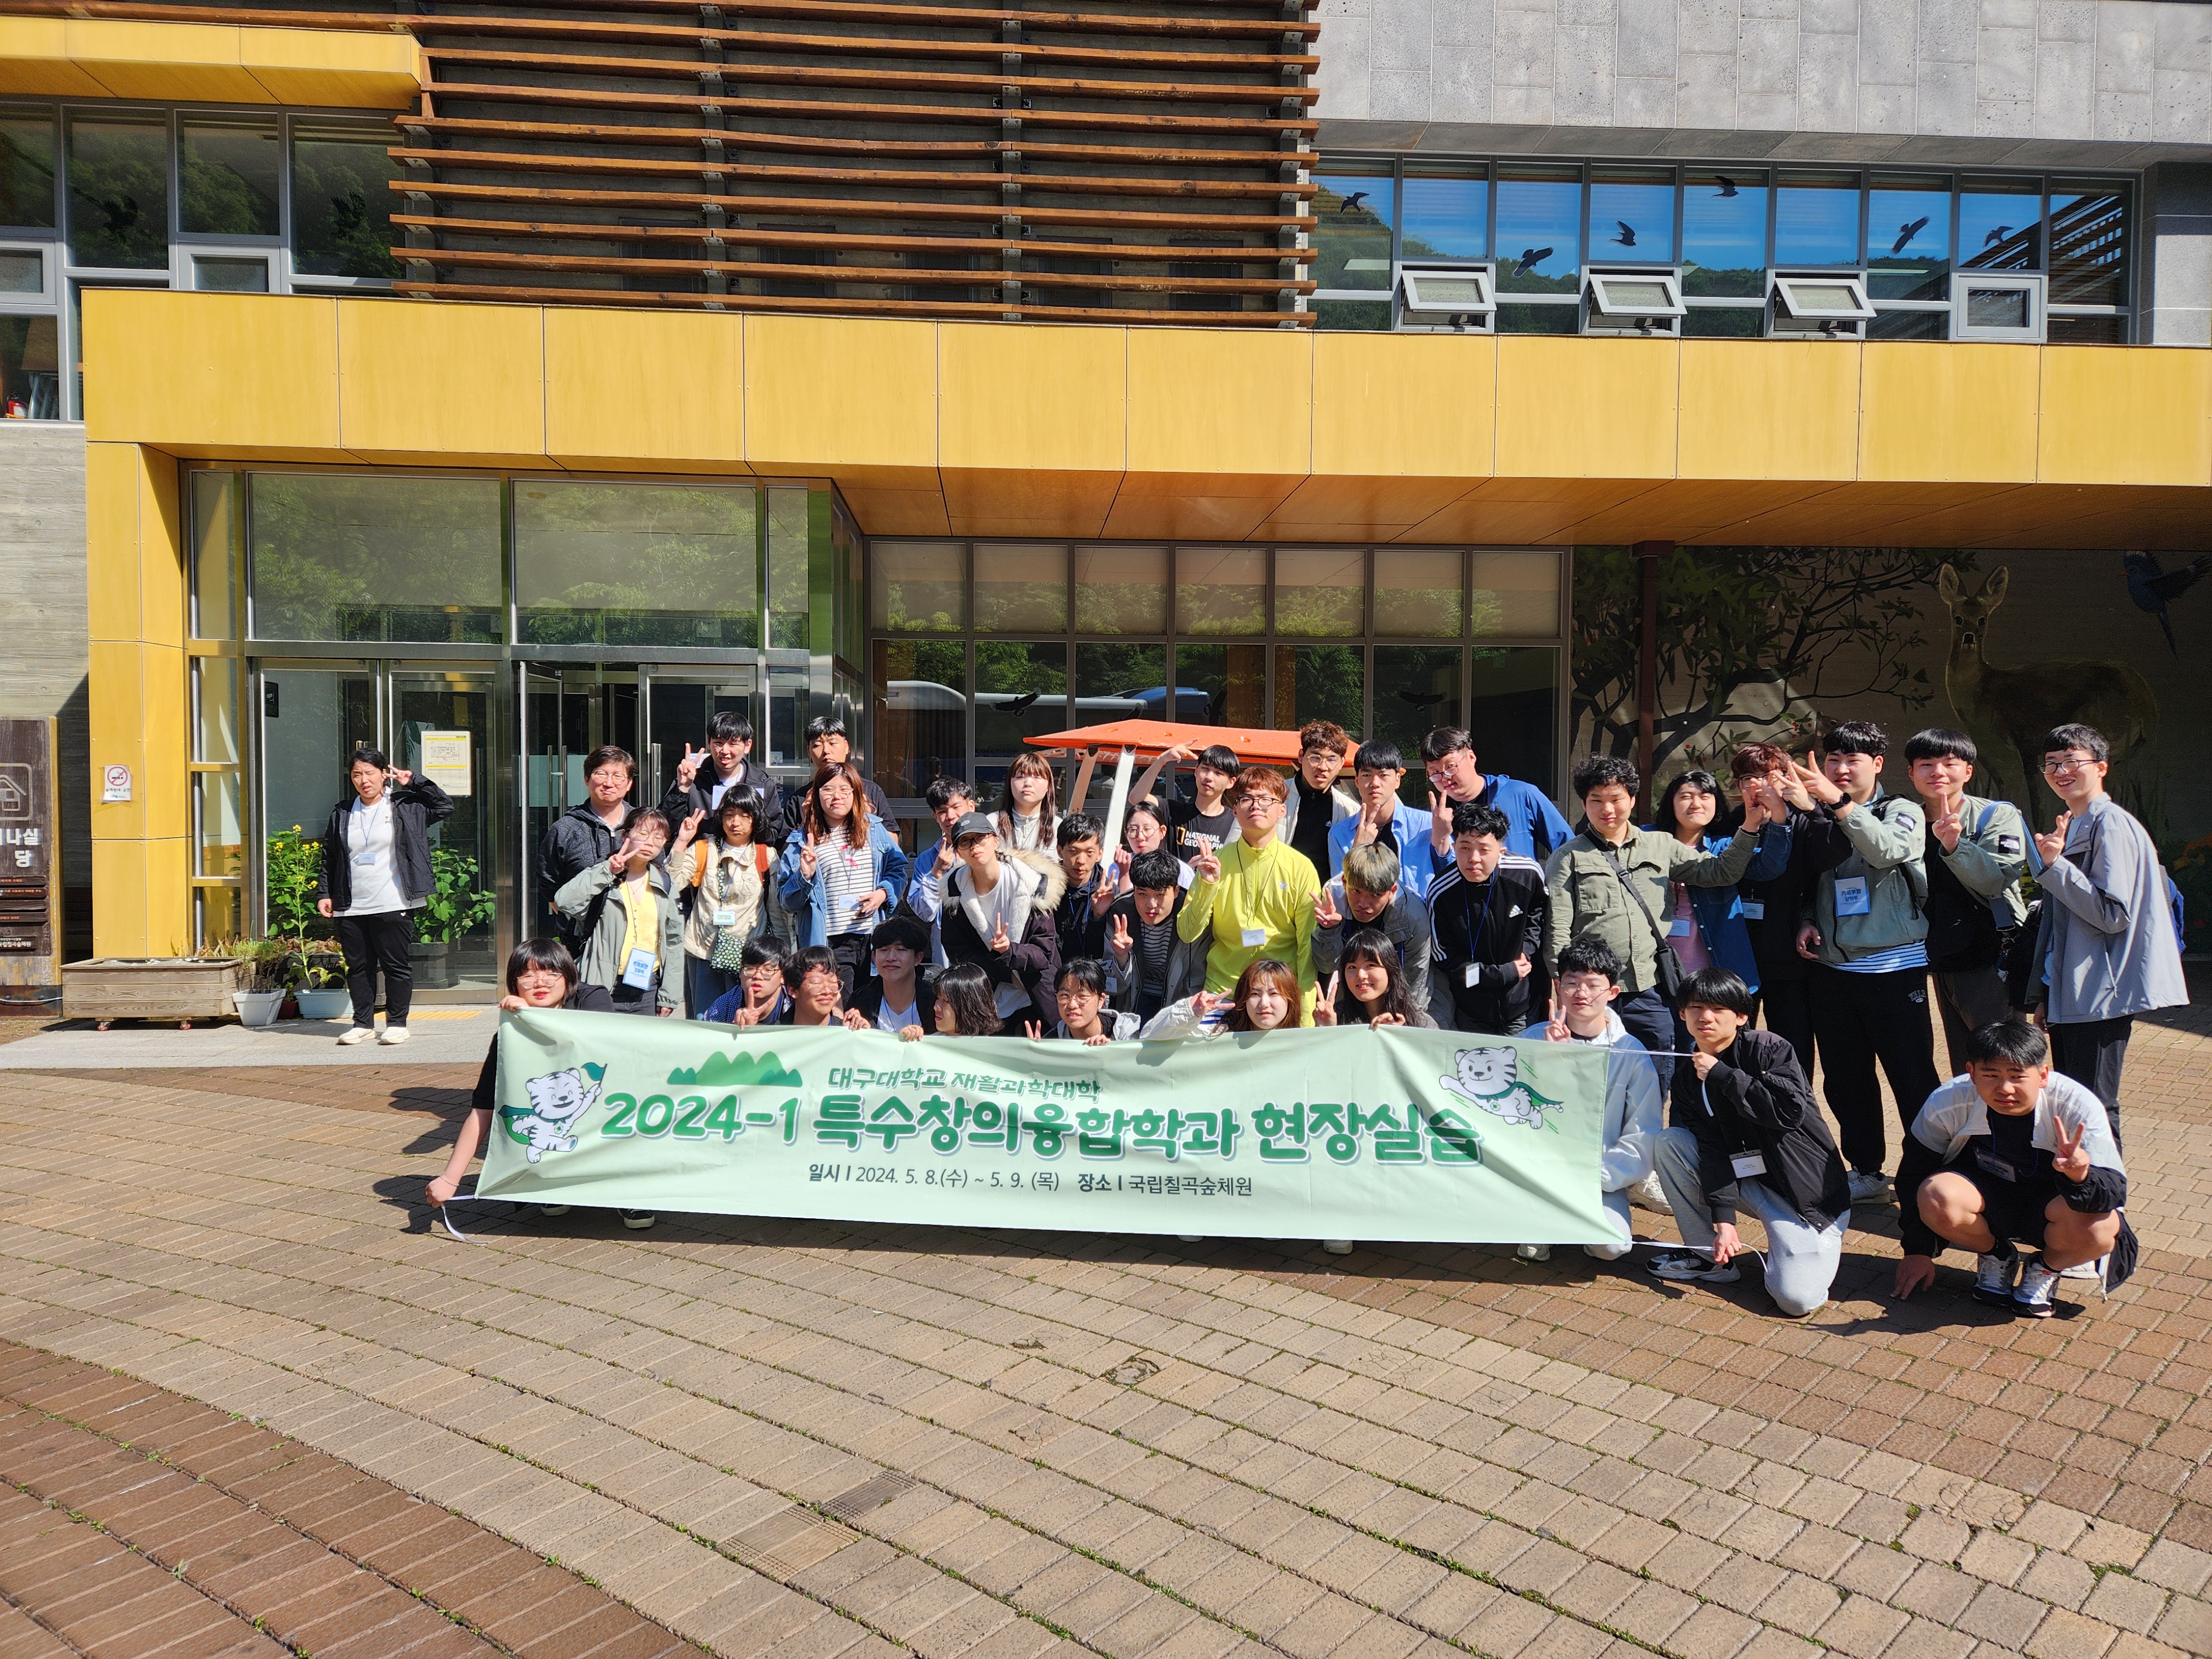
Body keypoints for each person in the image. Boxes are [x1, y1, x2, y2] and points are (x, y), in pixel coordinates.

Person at [1786, 721, 1942, 1205]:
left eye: (1852, 760)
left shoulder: (1902, 811)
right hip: (1833, 971)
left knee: (1912, 1076)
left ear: (1876, 764)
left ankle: (1929, 1172)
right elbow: (1813, 879)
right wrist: (1808, 918)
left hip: (1894, 968)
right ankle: (1867, 1171)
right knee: (1846, 1079)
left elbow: (1887, 850)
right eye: (1833, 759)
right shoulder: (1818, 814)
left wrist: (1838, 804)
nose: (1840, 768)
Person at [1543, 754, 1768, 1086]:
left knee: (1657, 1074)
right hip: (1593, 992)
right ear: (1584, 804)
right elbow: (1558, 929)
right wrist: (1564, 991)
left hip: (1649, 989)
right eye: (1596, 801)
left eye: (1616, 799)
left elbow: (1720, 872)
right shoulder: (1568, 857)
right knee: (1592, 1077)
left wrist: (1749, 827)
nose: (1607, 809)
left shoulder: (1660, 844)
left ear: (1632, 800)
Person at [1647, 968, 1852, 1318]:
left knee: (1796, 1301)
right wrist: (1724, 1223)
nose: (1706, 1017)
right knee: (1672, 1144)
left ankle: (1813, 1241)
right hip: (1748, 1181)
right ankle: (1708, 1258)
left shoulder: (1768, 1049)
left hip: (1805, 1199)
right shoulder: (1686, 1076)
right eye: (1696, 1008)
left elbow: (1786, 1114)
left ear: (1742, 1017)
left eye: (1719, 1009)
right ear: (1682, 1014)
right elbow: (1711, 1148)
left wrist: (1722, 1074)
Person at [1893, 1019, 2130, 1317]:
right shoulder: (1948, 1100)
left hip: (2052, 1206)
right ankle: (1997, 1256)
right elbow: (1914, 1172)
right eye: (1990, 1075)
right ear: (1972, 1073)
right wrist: (1917, 1250)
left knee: (2102, 1229)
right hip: (1988, 1199)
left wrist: (2081, 1175)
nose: (2005, 1089)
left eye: (2018, 1076)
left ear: (2042, 1075)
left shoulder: (2077, 1105)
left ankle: (2045, 1268)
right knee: (1935, 1195)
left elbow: (2114, 1194)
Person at [2029, 722, 2189, 1141]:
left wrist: (2055, 867)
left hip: (2101, 992)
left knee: (2094, 1107)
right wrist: (2048, 991)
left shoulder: (2111, 824)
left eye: (2071, 761)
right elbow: (2063, 922)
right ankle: (2082, 1181)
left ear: (2101, 767)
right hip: (2074, 990)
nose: (2060, 771)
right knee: (2074, 1102)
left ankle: (2105, 1185)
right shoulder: (2077, 822)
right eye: (2051, 763)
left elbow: (2113, 914)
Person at [433, 940, 654, 1232]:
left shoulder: (592, 997)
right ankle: (553, 1183)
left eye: (552, 973)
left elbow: (597, 1036)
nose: (540, 982)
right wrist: (449, 1179)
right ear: (514, 984)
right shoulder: (510, 1035)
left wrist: (534, 1017)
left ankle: (630, 1192)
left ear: (568, 976)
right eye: (527, 976)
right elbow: (483, 1110)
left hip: (613, 1102)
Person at [1142, 957, 1353, 1255]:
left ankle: (1332, 1220)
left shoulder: (1301, 1038)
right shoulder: (1217, 1028)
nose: (1264, 1003)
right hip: (1222, 1136)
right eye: (1255, 994)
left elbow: (1334, 1088)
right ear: (1242, 999)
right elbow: (1150, 1036)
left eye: (1274, 994)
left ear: (1291, 1000)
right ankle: (1197, 1208)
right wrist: (1190, 1012)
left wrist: (1327, 1032)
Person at [1521, 939, 1663, 1264]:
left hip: (1598, 1172)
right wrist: (1549, 1059)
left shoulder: (1631, 1052)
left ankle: (1575, 1222)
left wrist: (1600, 1176)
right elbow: (1512, 1109)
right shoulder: (1533, 1038)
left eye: (1593, 985)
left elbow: (1643, 1130)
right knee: (1527, 1241)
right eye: (1571, 983)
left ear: (1612, 992)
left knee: (1612, 1247)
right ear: (1558, 987)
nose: (1581, 993)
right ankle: (1541, 1217)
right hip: (1541, 1169)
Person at [1902, 729, 2028, 1072]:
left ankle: (2015, 1109)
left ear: (1968, 771)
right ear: (1911, 773)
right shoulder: (1906, 822)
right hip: (1940, 958)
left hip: (1988, 957)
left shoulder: (1996, 815)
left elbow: (1996, 880)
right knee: (1966, 1063)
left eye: (1950, 763)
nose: (1938, 772)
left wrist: (1956, 845)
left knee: (2002, 1058)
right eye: (1926, 764)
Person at [316, 747, 455, 1047]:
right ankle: (362, 1024)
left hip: (394, 900)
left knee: (396, 966)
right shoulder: (342, 812)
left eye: (369, 773)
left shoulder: (405, 806)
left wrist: (414, 781)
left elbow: (444, 806)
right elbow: (330, 856)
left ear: (383, 774)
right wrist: (325, 893)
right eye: (357, 774)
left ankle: (397, 1024)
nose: (364, 780)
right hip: (351, 903)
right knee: (358, 967)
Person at [1725, 743, 1849, 1081]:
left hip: (1789, 950)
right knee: (1733, 1044)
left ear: (1785, 777)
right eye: (1748, 778)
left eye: (1768, 776)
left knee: (1792, 1045)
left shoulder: (1805, 818)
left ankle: (1794, 1103)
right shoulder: (1732, 821)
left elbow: (1833, 856)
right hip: (1739, 950)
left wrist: (1810, 807)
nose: (1758, 785)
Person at [1652, 768, 1788, 1053]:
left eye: (1705, 796)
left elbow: (1769, 867)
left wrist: (1775, 818)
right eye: (1685, 796)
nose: (1696, 803)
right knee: (1665, 1056)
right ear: (1670, 803)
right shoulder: (1647, 841)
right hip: (1656, 973)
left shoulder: (1726, 846)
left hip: (1714, 971)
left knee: (1717, 1058)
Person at [1178, 766, 1322, 1021]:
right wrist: (1208, 886)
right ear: (1235, 810)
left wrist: (1305, 1018)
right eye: (1246, 799)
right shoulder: (1216, 863)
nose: (1256, 806)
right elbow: (1187, 933)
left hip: (1278, 997)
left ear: (1282, 810)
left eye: (1266, 800)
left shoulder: (1300, 868)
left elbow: (1306, 949)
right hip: (1223, 993)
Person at [778, 760, 908, 998]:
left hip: (874, 939)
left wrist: (883, 893)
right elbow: (787, 902)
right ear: (816, 795)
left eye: (844, 789)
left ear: (855, 793)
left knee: (874, 1007)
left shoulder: (874, 829)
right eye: (828, 789)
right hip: (830, 941)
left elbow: (897, 869)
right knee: (841, 1006)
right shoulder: (802, 840)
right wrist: (804, 876)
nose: (836, 796)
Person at [936, 812, 1064, 1032]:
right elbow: (958, 952)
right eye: (965, 842)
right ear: (958, 852)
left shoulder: (1031, 885)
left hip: (1041, 995)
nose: (974, 846)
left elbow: (1044, 954)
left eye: (980, 838)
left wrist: (1009, 950)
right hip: (990, 1001)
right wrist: (1004, 969)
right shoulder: (954, 894)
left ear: (995, 840)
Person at [555, 806, 689, 1016]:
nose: (650, 842)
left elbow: (674, 940)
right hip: (600, 985)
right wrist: (607, 870)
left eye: (659, 837)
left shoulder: (665, 883)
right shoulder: (604, 876)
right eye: (642, 834)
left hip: (647, 988)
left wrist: (669, 994)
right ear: (625, 835)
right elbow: (564, 901)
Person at [1426, 803, 1546, 1035]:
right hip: (1470, 1009)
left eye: (1484, 849)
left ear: (1501, 851)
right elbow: (1446, 959)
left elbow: (1539, 913)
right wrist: (1500, 975)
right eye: (1465, 848)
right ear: (1454, 847)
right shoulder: (1441, 892)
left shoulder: (1527, 873)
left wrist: (1527, 949)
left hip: (1522, 1004)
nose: (1473, 858)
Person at [673, 792, 786, 1018]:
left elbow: (776, 911)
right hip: (704, 949)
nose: (736, 822)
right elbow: (672, 884)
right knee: (705, 1020)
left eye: (745, 816)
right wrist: (681, 842)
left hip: (750, 958)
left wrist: (784, 953)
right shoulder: (703, 850)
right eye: (729, 815)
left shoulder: (766, 855)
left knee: (744, 1018)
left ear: (756, 819)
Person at [1421, 727, 1574, 877]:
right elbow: (1435, 878)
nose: (1445, 777)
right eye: (1435, 772)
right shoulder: (1436, 818)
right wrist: (1440, 839)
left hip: (1523, 891)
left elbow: (1568, 850)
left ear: (1471, 757)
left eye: (1451, 767)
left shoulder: (1521, 794)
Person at [1312, 843, 1436, 1025]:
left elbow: (1416, 981)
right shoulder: (1332, 901)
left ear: (1392, 891)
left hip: (1397, 1000)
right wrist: (1329, 930)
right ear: (1345, 882)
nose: (1363, 903)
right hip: (1351, 999)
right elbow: (1326, 966)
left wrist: (1404, 1022)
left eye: (1376, 895)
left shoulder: (1413, 916)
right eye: (1356, 891)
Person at [539, 744, 635, 947]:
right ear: (586, 779)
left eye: (618, 776)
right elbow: (549, 882)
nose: (609, 783)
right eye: (601, 774)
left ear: (629, 784)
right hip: (582, 942)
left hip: (636, 938)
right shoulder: (565, 829)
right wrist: (574, 920)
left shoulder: (641, 826)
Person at [1327, 741, 1437, 902]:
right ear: (1357, 780)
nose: (1375, 784)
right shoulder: (1340, 834)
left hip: (1418, 915)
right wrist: (1356, 852)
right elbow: (1339, 894)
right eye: (1367, 775)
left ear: (1398, 780)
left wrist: (1443, 842)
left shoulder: (1426, 825)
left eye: (1383, 775)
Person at [1105, 850, 1206, 1024]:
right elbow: (1112, 986)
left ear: (1176, 891)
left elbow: (1198, 978)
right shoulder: (1120, 913)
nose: (1151, 905)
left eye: (1160, 895)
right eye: (1142, 894)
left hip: (1181, 1005)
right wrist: (1121, 958)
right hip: (1134, 1003)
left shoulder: (1193, 915)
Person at [663, 709, 782, 844]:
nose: (725, 751)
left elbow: (773, 834)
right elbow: (666, 831)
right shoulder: (692, 782)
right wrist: (682, 789)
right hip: (699, 856)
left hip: (746, 857)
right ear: (709, 742)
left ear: (747, 746)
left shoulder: (762, 784)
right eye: (718, 743)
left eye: (733, 743)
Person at [779, 716, 893, 840]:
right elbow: (785, 845)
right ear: (809, 752)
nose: (826, 751)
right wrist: (806, 820)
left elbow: (892, 838)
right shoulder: (799, 799)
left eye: (833, 743)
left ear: (846, 747)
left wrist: (866, 819)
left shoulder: (871, 791)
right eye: (817, 745)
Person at [1312, 927, 1436, 1027]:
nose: (1361, 975)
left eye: (1370, 965)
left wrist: (1399, 1036)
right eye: (1352, 967)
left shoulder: (1419, 1022)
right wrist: (1327, 1031)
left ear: (1391, 969)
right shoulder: (1336, 1017)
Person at [903, 775, 977, 935]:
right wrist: (936, 873)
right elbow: (925, 914)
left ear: (971, 806)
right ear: (935, 816)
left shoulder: (991, 850)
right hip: (946, 942)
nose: (950, 816)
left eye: (956, 807)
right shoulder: (926, 860)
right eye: (942, 811)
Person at [1282, 721, 1357, 875]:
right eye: (1316, 758)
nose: (1323, 767)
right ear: (1301, 756)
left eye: (1332, 759)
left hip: (1327, 890)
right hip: (1279, 888)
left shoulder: (1350, 811)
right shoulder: (1273, 798)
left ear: (1342, 763)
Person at [844, 915, 930, 1034]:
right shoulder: (860, 1001)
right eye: (884, 950)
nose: (891, 958)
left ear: (917, 958)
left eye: (901, 950)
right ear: (874, 957)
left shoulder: (935, 1001)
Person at [1053, 813, 1116, 964]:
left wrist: (1098, 918)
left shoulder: (1108, 892)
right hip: (1053, 974)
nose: (1081, 861)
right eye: (1073, 852)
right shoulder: (1046, 887)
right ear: (1060, 851)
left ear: (1100, 854)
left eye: (1089, 853)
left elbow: (1106, 952)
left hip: (1092, 974)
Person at [1033, 958, 1142, 1043]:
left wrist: (1110, 1053)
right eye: (1065, 995)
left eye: (1082, 996)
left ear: (1101, 1000)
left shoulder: (1127, 1037)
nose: (1072, 1005)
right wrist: (1034, 1056)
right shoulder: (1053, 1040)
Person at [1170, 744, 1242, 865]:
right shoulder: (1174, 812)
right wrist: (1161, 760)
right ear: (1196, 770)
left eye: (1218, 773)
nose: (1209, 777)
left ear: (1231, 782)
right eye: (1205, 769)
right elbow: (1137, 798)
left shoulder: (1236, 823)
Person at [702, 940, 790, 1026]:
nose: (757, 976)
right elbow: (705, 1033)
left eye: (768, 970)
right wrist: (737, 1030)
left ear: (783, 976)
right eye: (750, 969)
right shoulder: (723, 1006)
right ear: (740, 973)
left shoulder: (794, 1003)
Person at [906, 960, 1001, 1039]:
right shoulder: (926, 1044)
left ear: (971, 1005)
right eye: (938, 998)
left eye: (946, 1001)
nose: (936, 1007)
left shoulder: (992, 1051)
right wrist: (905, 1042)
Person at [993, 750, 1060, 853]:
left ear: (1049, 785)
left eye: (1037, 777)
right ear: (1010, 783)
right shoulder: (991, 824)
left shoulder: (1058, 827)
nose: (1028, 783)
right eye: (1020, 777)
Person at [776, 945, 848, 1027]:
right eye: (817, 983)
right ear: (793, 990)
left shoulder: (848, 1032)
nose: (827, 991)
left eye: (833, 982)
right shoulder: (773, 1033)